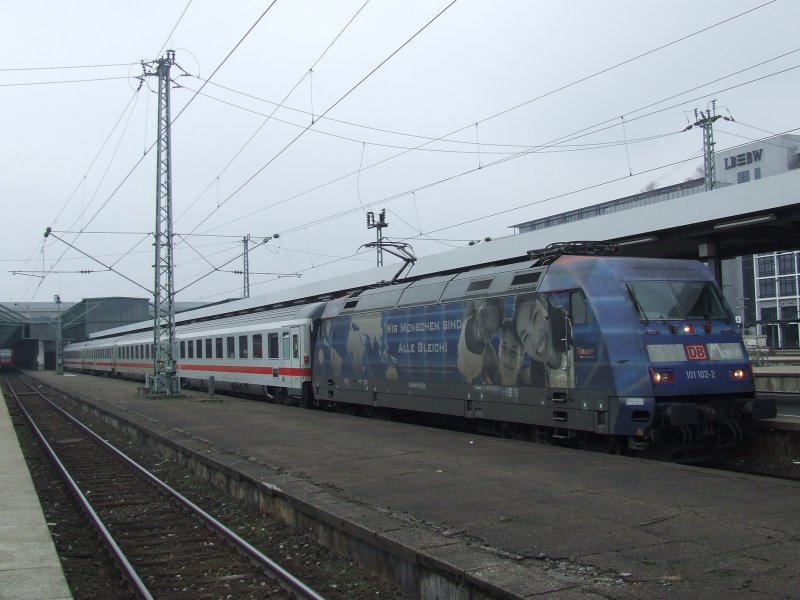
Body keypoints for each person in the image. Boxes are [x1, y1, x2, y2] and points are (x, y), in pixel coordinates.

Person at [512, 293, 569, 387]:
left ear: (544, 303)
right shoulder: (527, 379)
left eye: (535, 316)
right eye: (525, 337)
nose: (536, 338)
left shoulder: (575, 344)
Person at [457, 297, 503, 383]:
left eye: (489, 331)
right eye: (484, 315)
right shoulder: (468, 316)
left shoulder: (488, 354)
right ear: (478, 308)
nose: (483, 329)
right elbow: (473, 295)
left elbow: (497, 383)